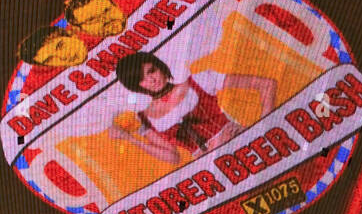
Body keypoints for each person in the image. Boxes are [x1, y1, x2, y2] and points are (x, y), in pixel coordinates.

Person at [114, 53, 277, 166]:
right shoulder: (144, 118)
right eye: (141, 79)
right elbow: (173, 157)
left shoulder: (199, 80)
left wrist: (263, 131)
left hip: (246, 146)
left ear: (160, 67)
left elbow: (267, 85)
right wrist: (130, 138)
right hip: (215, 171)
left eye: (151, 71)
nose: (151, 79)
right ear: (136, 86)